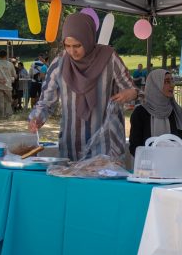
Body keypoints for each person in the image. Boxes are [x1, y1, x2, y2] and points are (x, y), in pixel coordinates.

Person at [29, 13, 138, 161]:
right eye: (67, 46)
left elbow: (132, 89)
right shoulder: (59, 63)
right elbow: (46, 101)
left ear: (88, 39)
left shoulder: (109, 58)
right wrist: (37, 117)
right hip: (71, 144)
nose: (72, 52)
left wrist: (129, 94)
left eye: (77, 46)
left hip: (106, 143)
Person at [129, 69, 182, 155]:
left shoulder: (178, 112)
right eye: (167, 82)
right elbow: (135, 147)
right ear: (155, 85)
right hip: (147, 165)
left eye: (172, 81)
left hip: (174, 165)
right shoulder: (140, 113)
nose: (172, 85)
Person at [0, 50, 16, 118]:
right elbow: (15, 75)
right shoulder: (10, 64)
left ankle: (1, 116)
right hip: (8, 85)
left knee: (0, 101)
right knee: (8, 101)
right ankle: (8, 115)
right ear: (6, 56)